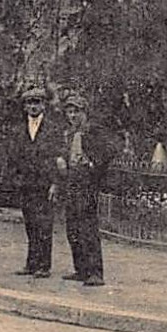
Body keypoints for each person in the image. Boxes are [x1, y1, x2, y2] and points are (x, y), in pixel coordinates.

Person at [58, 90, 119, 286]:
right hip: (71, 182)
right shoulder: (68, 134)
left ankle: (95, 272)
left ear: (84, 112)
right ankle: (81, 269)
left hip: (87, 183)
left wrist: (93, 163)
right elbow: (65, 153)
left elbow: (110, 149)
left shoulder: (94, 130)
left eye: (76, 112)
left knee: (88, 228)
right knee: (72, 227)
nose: (73, 116)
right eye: (69, 112)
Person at [11, 84, 67, 278]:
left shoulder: (53, 129)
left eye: (37, 102)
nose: (33, 107)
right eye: (29, 103)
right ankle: (31, 263)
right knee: (30, 224)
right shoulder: (20, 129)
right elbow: (15, 156)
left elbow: (58, 156)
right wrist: (17, 178)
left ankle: (44, 265)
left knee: (44, 224)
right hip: (27, 183)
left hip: (45, 184)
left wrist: (55, 183)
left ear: (44, 105)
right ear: (25, 106)